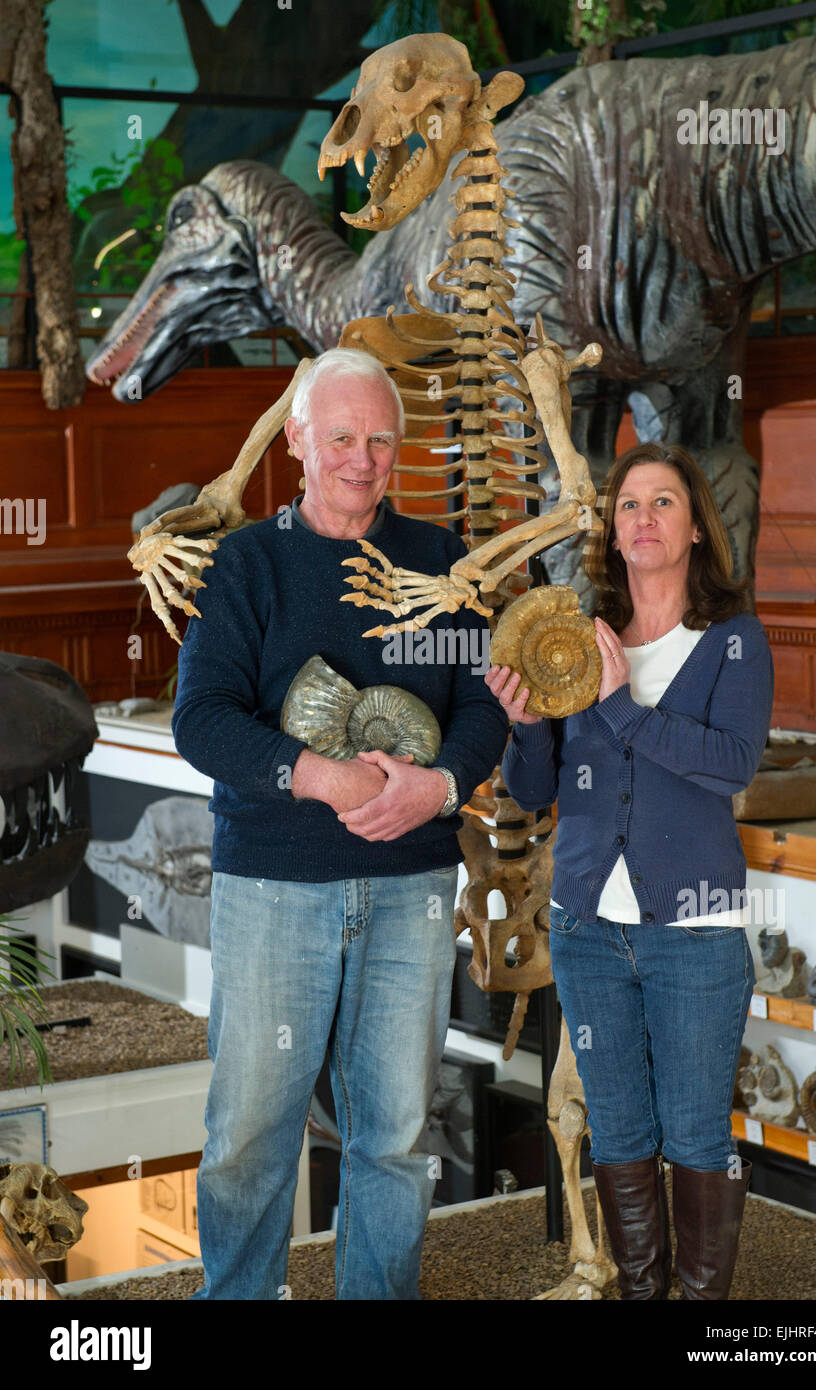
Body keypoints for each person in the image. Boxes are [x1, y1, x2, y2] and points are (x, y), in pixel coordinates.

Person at [173, 347, 509, 1300]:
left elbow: (483, 706)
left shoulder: (440, 562)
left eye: (382, 441)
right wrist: (315, 775)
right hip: (274, 888)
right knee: (250, 1135)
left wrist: (441, 786)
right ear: (296, 440)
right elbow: (202, 719)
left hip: (412, 889)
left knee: (395, 1138)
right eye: (343, 438)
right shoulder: (246, 564)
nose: (364, 459)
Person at [487, 441, 774, 1301]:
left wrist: (622, 707)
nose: (643, 519)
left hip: (694, 933)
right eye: (628, 506)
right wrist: (526, 724)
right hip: (585, 931)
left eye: (663, 502)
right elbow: (533, 791)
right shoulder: (580, 640)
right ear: (611, 533)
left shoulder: (733, 642)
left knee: (695, 1137)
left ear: (697, 528)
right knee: (616, 1133)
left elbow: (730, 764)